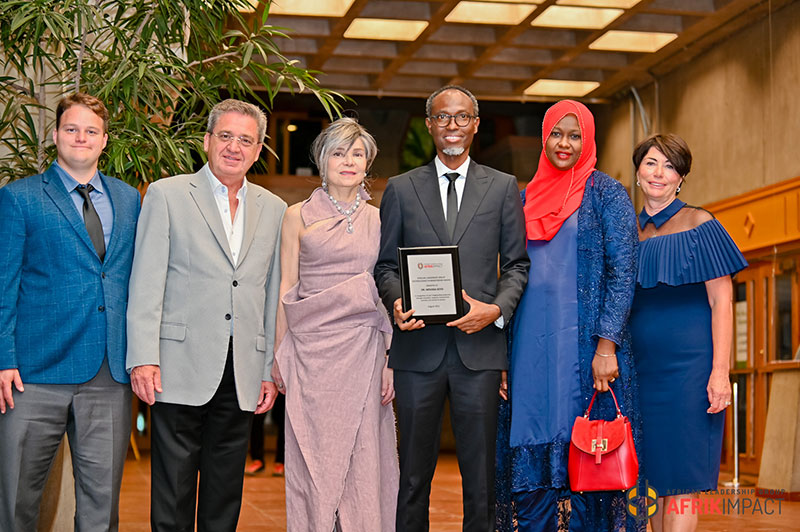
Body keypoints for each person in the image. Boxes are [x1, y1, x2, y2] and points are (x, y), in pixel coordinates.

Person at [125, 98, 285, 531]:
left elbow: (271, 292)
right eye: (226, 136)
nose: (234, 147)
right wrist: (143, 357)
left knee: (224, 493)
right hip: (177, 365)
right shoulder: (167, 195)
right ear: (207, 140)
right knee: (173, 493)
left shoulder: (274, 209)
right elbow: (146, 281)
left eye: (246, 140)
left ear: (258, 149)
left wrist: (268, 368)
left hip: (242, 369)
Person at [375, 85, 530, 532]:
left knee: (480, 479)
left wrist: (495, 311)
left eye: (462, 117)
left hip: (479, 351)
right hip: (416, 351)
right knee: (412, 476)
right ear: (429, 125)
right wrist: (396, 301)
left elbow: (517, 265)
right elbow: (385, 266)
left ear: (475, 125)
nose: (453, 126)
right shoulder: (401, 189)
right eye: (443, 117)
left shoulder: (502, 187)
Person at [495, 99, 643, 532]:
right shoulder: (524, 198)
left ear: (588, 140)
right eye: (556, 134)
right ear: (544, 138)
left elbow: (623, 272)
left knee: (590, 457)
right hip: (528, 349)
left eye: (575, 135)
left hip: (588, 352)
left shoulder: (606, 194)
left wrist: (607, 345)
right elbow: (506, 277)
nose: (565, 143)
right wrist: (501, 356)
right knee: (530, 456)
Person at [0, 92, 140, 531]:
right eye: (72, 129)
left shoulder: (129, 199)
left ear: (104, 140)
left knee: (102, 509)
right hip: (33, 375)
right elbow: (3, 285)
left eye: (91, 131)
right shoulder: (19, 198)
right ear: (56, 135)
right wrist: (4, 359)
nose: (81, 137)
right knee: (16, 502)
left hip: (108, 374)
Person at [271, 117, 399, 531]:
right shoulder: (296, 215)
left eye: (357, 153)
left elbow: (388, 291)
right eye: (339, 153)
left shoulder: (381, 219)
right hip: (311, 356)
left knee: (365, 459)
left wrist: (391, 359)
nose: (348, 161)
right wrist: (278, 354)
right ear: (322, 160)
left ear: (368, 163)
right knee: (313, 461)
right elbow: (286, 287)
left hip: (365, 351)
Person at [629, 133, 746, 532]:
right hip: (639, 373)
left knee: (682, 480)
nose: (659, 173)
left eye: (670, 166)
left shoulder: (701, 224)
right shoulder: (627, 233)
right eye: (651, 163)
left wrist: (720, 372)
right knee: (648, 481)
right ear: (638, 172)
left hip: (690, 373)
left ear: (681, 178)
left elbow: (721, 302)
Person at [245, 393, 285, 476]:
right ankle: (257, 460)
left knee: (282, 417)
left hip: (284, 387)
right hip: (262, 385)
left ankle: (281, 461)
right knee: (257, 415)